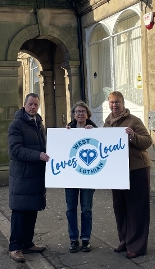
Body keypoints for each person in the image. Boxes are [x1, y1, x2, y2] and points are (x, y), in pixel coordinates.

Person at [104, 91, 152, 259]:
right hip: (117, 171)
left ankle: (137, 246)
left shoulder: (134, 121)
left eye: (117, 102)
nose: (114, 105)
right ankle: (125, 240)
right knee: (120, 208)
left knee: (137, 208)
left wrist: (133, 135)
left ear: (123, 103)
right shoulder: (108, 122)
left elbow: (147, 141)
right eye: (111, 102)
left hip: (136, 169)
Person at [8, 93, 50, 263]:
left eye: (36, 105)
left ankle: (27, 243)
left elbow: (47, 146)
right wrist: (38, 155)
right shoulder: (16, 124)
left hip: (36, 176)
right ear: (24, 105)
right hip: (22, 176)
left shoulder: (38, 123)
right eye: (30, 104)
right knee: (19, 213)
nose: (33, 107)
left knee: (31, 211)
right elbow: (15, 150)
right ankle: (15, 247)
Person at [65, 101, 97, 253]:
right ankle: (73, 239)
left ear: (87, 114)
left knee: (86, 209)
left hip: (88, 177)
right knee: (71, 208)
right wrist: (64, 135)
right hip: (71, 177)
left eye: (83, 111)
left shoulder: (94, 129)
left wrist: (93, 132)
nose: (80, 114)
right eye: (77, 111)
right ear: (73, 114)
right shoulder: (67, 130)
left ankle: (85, 239)